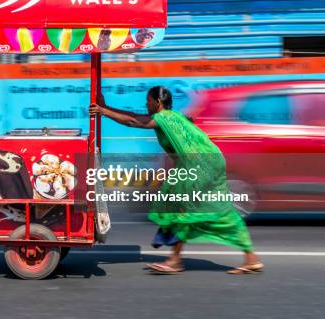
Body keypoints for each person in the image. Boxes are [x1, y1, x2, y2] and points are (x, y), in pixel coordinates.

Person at [89, 86, 263, 275]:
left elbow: (133, 121)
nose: (146, 104)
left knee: (183, 210)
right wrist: (106, 107)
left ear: (158, 102)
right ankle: (251, 257)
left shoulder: (164, 118)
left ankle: (175, 260)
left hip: (199, 165)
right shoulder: (173, 117)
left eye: (148, 101)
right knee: (219, 210)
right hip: (208, 161)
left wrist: (103, 111)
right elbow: (134, 115)